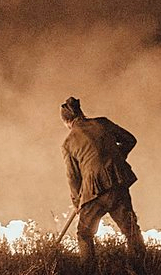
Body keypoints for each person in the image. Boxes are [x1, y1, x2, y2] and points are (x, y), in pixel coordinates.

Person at [61, 98, 143, 257]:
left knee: (84, 234)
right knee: (131, 230)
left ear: (67, 122)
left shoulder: (68, 143)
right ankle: (142, 269)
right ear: (81, 113)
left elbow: (72, 177)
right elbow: (130, 139)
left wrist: (77, 202)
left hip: (94, 192)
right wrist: (118, 157)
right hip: (117, 182)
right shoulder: (102, 123)